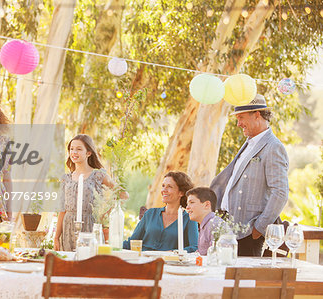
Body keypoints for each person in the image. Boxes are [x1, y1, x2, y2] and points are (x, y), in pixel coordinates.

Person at [210, 94, 289, 256]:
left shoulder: (273, 147)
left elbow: (280, 192)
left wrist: (258, 228)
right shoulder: (250, 142)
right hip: (229, 227)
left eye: (241, 117)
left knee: (245, 280)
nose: (238, 124)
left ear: (257, 115)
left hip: (248, 233)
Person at [54, 134, 117, 251]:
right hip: (68, 228)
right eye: (71, 149)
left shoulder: (98, 176)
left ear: (88, 153)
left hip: (90, 227)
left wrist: (108, 211)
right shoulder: (66, 179)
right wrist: (56, 237)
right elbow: (62, 210)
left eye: (79, 149)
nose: (74, 152)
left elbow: (122, 194)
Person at [123, 171, 198, 252]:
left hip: (169, 263)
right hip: (144, 260)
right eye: (163, 186)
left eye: (169, 187)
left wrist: (173, 252)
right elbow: (132, 242)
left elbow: (194, 247)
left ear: (181, 192)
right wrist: (112, 244)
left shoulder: (189, 219)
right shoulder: (150, 214)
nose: (164, 190)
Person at [186, 187, 222, 255]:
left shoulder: (215, 225)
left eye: (192, 202)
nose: (187, 207)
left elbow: (216, 257)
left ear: (207, 205)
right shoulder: (205, 225)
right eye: (187, 204)